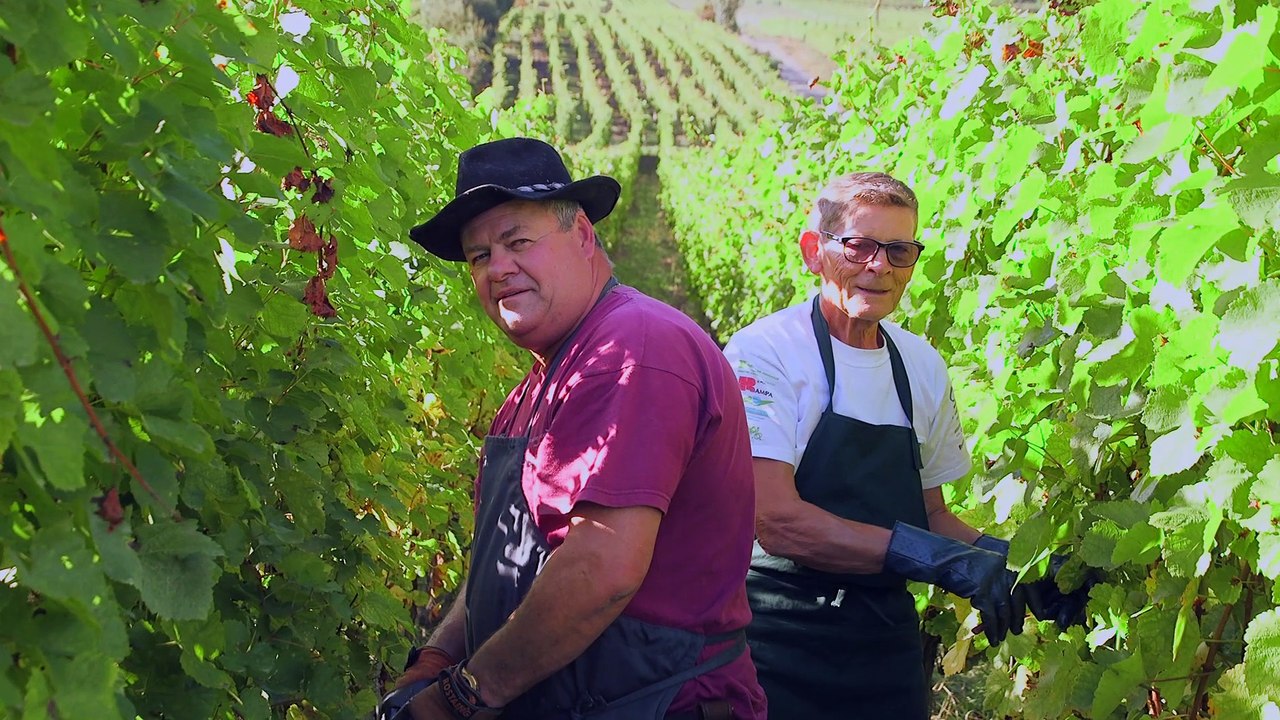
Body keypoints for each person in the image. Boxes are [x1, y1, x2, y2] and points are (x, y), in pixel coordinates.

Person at [382, 137, 767, 720]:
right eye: (479, 255)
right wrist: (437, 658)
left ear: (583, 235)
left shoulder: (631, 350)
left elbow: (600, 569)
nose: (497, 268)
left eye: (518, 242)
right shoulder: (533, 390)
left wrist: (458, 698)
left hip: (654, 702)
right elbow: (503, 561)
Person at [722, 172, 1090, 719]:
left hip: (884, 639)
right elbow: (776, 522)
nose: (880, 266)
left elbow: (930, 515)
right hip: (775, 638)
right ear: (813, 251)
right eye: (859, 246)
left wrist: (1015, 565)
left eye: (899, 251)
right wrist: (937, 560)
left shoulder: (922, 366)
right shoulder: (766, 353)